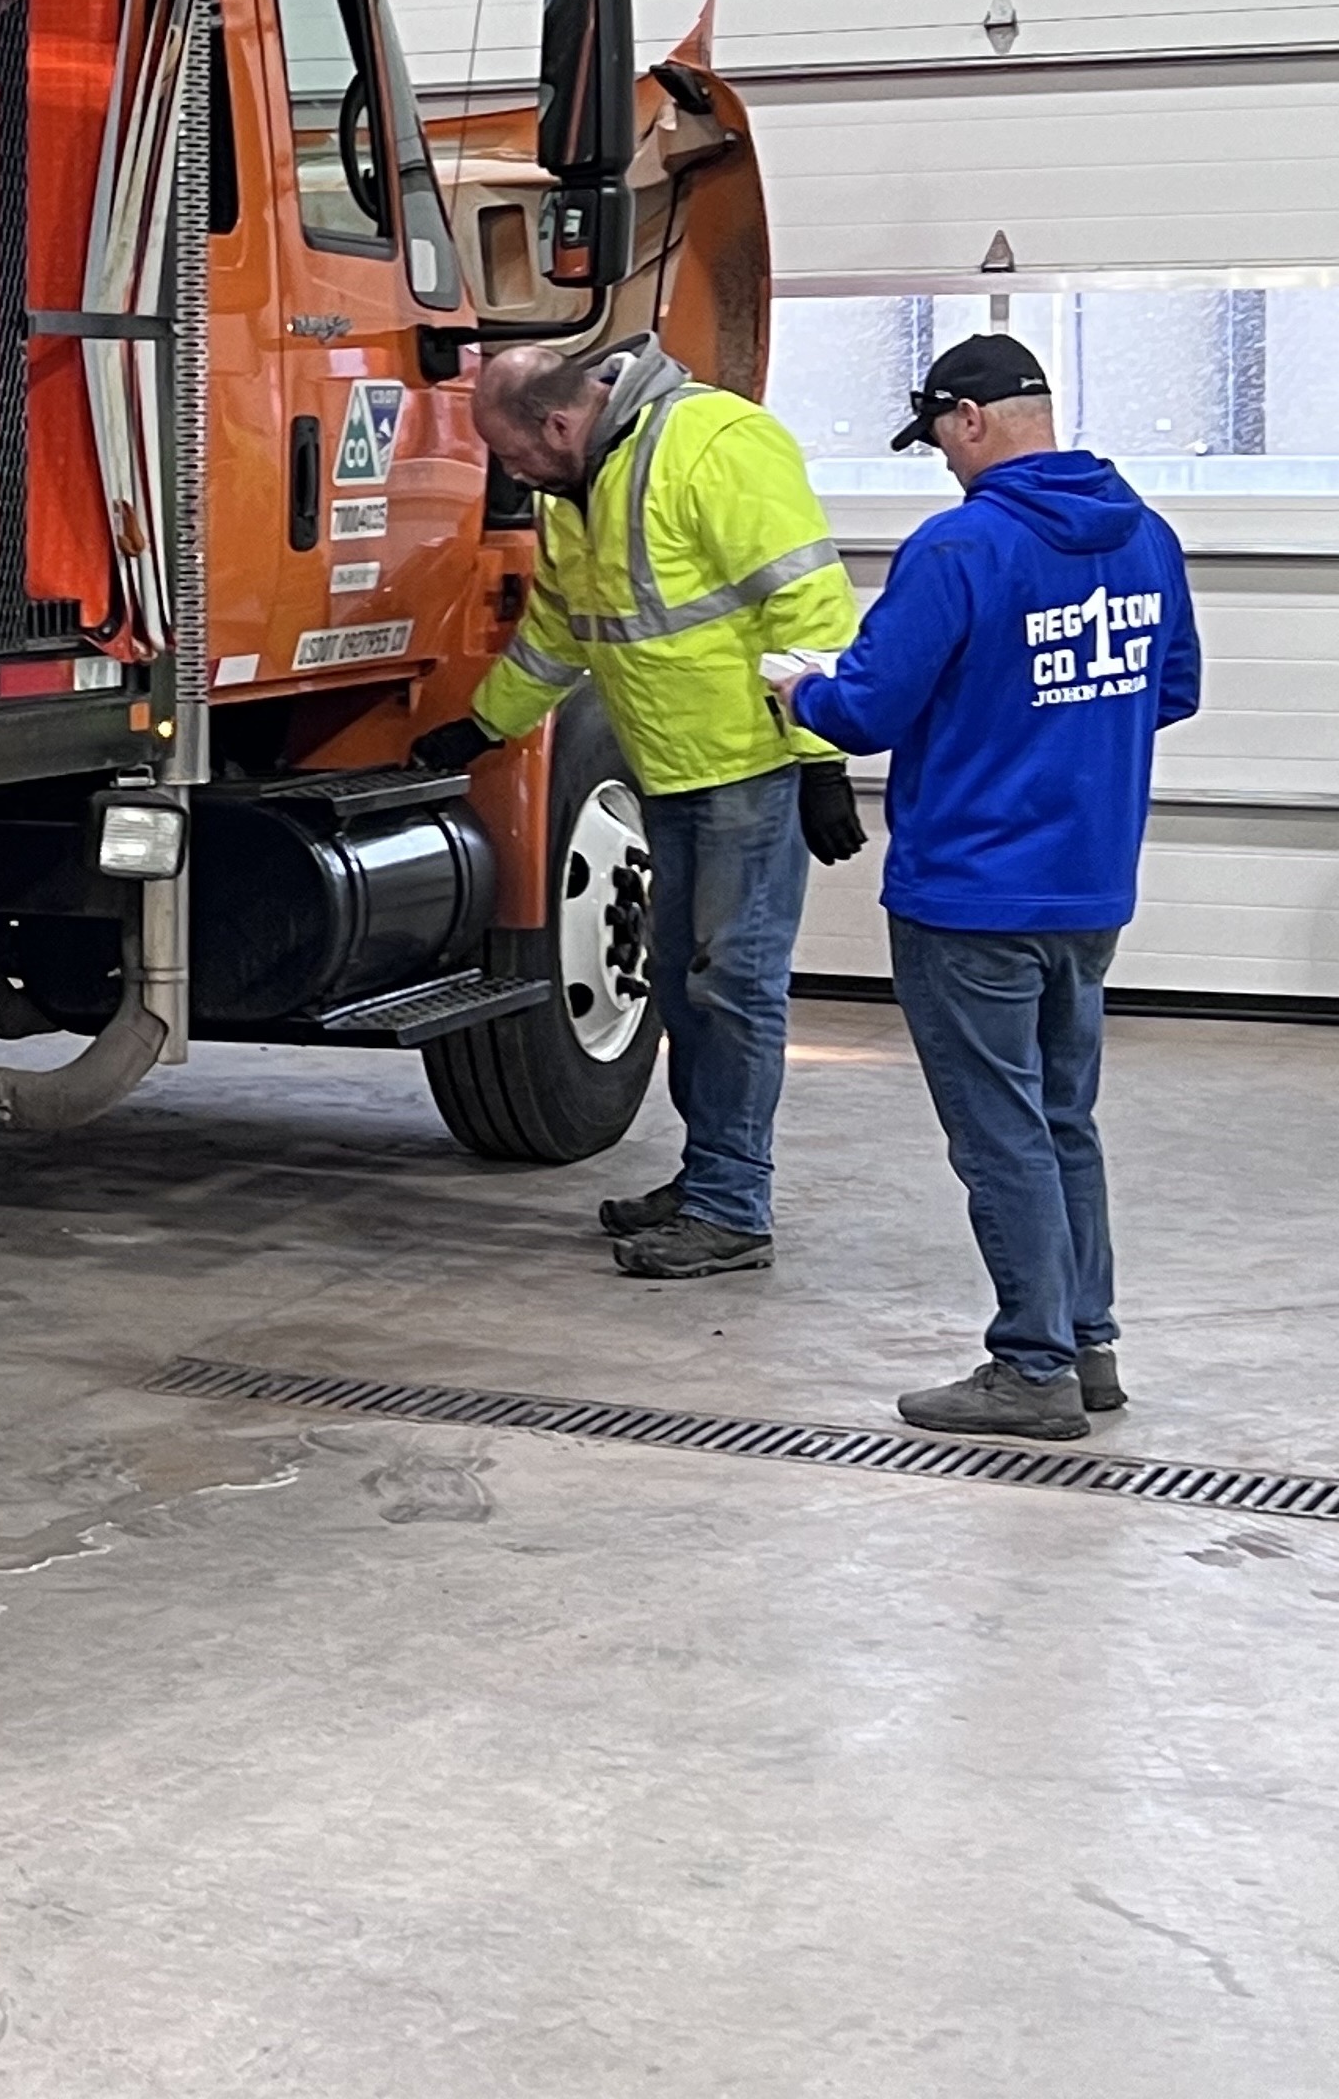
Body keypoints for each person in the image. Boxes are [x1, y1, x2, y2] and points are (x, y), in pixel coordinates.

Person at [769, 331, 1200, 1441]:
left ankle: (1032, 1368)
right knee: (1064, 1119)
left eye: (941, 442)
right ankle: (1088, 1345)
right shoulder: (1147, 536)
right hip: (1090, 884)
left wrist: (800, 695)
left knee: (1001, 1131)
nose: (945, 464)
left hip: (970, 892)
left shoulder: (960, 549)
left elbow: (866, 710)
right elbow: (1172, 688)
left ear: (969, 418)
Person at [415, 334, 864, 1279]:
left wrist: (824, 759)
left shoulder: (718, 444)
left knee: (734, 991)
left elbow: (812, 608)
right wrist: (483, 728)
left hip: (751, 770)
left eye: (513, 451)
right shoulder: (574, 486)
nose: (509, 471)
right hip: (670, 775)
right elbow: (557, 634)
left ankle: (733, 1205)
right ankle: (709, 1182)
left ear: (561, 420)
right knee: (681, 987)